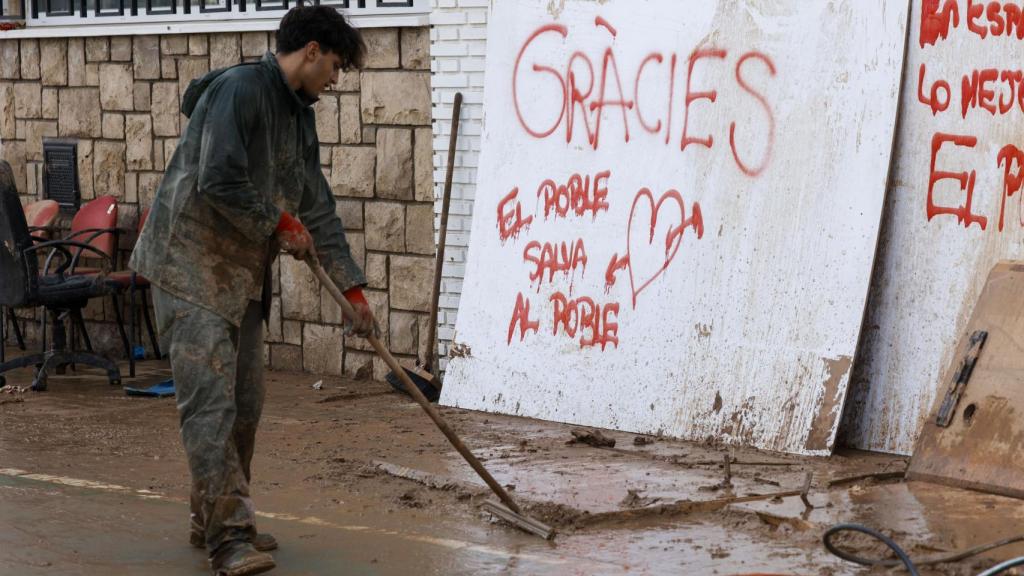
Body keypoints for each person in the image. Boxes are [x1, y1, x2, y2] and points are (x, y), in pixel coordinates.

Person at [130, 6, 374, 575]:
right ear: (311, 50)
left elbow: (317, 206)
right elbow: (218, 178)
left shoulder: (298, 117)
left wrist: (353, 289)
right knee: (210, 407)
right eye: (335, 66)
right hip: (188, 267)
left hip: (238, 279)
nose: (335, 80)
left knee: (245, 406)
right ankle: (229, 539)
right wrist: (278, 223)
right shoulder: (239, 90)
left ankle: (209, 518)